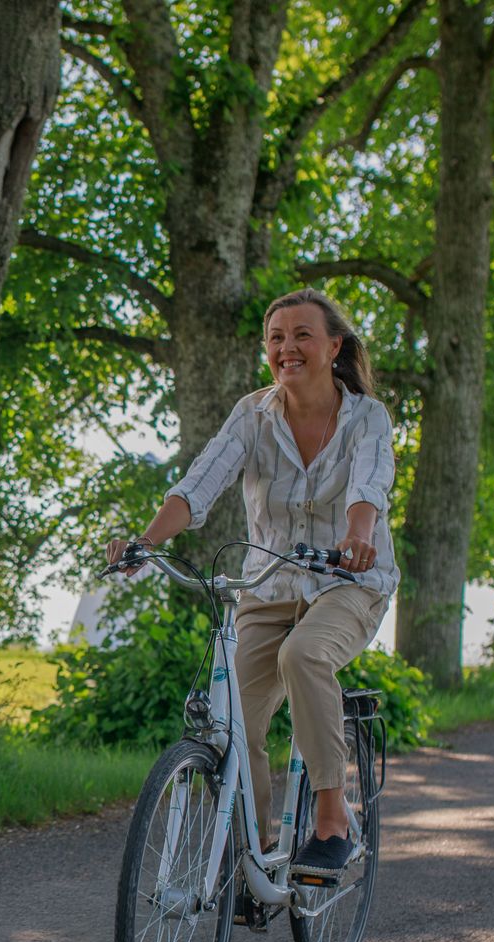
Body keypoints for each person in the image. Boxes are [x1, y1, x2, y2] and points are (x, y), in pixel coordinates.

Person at [107, 288, 398, 882]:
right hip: (267, 587)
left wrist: (359, 532)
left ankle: (330, 820)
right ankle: (250, 854)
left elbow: (370, 481)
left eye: (302, 335)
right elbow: (201, 483)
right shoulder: (253, 414)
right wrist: (148, 541)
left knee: (305, 654)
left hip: (348, 582)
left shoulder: (366, 416)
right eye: (276, 338)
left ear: (334, 346)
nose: (287, 348)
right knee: (237, 721)